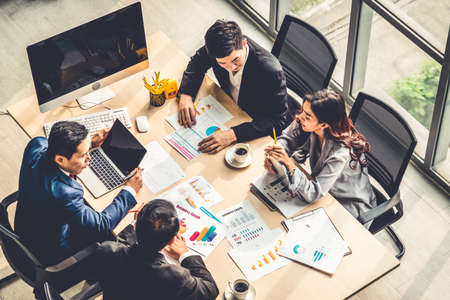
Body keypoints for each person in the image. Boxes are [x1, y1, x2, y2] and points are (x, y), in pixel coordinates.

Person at [14, 121, 143, 266]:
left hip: (24, 225)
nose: (89, 158)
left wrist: (90, 144)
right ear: (60, 159)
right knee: (111, 239)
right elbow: (102, 224)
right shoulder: (65, 194)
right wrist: (129, 190)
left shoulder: (37, 145)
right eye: (83, 155)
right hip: (48, 249)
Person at [264, 89, 376, 226]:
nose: (299, 117)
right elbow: (286, 139)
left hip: (346, 206)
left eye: (307, 116)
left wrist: (289, 164)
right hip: (323, 190)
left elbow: (313, 193)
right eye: (302, 111)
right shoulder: (307, 122)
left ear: (324, 124)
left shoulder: (340, 153)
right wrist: (276, 154)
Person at [178, 19, 288, 153]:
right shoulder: (218, 48)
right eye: (222, 63)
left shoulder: (270, 71)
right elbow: (198, 61)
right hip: (228, 109)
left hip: (251, 121)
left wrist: (233, 135)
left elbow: (277, 121)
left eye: (235, 60)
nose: (231, 67)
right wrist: (186, 94)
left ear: (243, 43)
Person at [94, 199, 219, 300]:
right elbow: (211, 290)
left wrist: (136, 224)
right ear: (171, 240)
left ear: (136, 225)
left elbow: (121, 246)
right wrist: (185, 254)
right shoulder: (174, 277)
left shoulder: (107, 250)